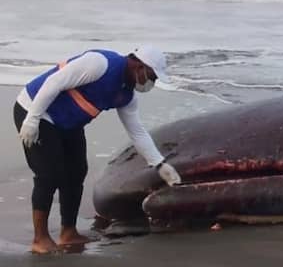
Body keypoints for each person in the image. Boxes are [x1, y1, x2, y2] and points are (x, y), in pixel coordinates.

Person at [12, 45, 182, 254]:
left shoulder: (126, 95)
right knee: (49, 175)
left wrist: (159, 164)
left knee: (76, 172)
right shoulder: (100, 64)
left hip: (68, 124)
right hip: (35, 110)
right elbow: (54, 82)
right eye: (152, 76)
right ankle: (40, 239)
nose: (151, 82)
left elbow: (137, 132)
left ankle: (68, 232)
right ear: (139, 65)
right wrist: (32, 120)